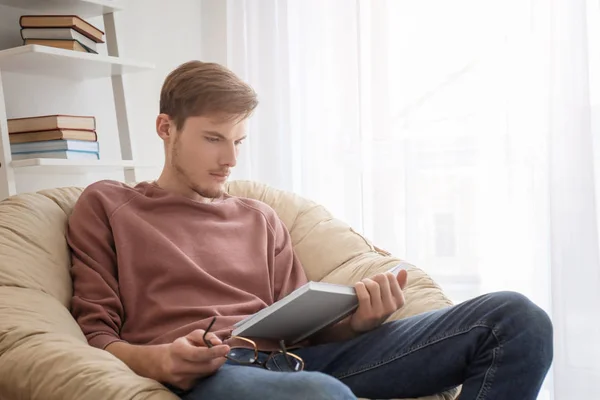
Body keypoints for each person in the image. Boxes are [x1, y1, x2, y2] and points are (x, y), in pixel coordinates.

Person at [66, 60, 553, 400]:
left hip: (303, 361)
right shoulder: (109, 205)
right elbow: (96, 335)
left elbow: (301, 328)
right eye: (213, 138)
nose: (229, 159)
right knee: (320, 396)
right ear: (165, 128)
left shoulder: (260, 217)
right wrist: (161, 361)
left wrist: (357, 321)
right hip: (214, 373)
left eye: (238, 140)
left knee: (516, 319)